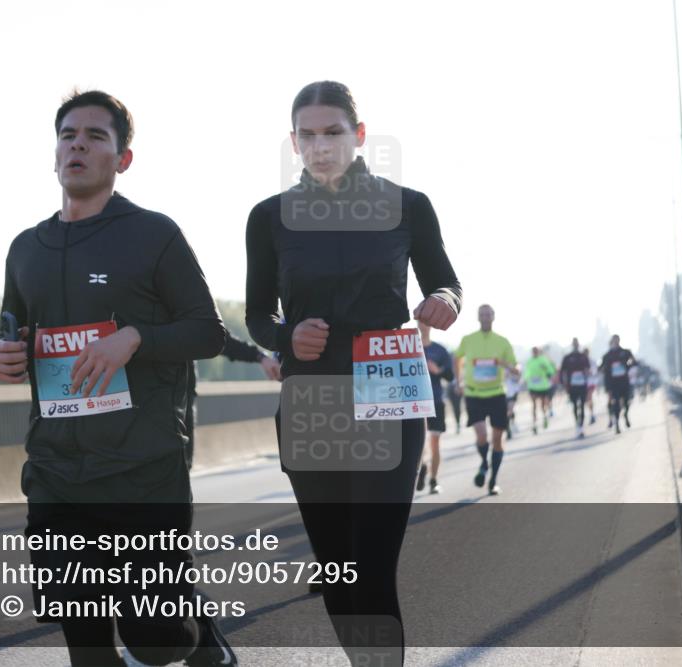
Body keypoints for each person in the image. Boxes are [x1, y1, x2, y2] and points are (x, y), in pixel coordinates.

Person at [0, 90, 235, 667]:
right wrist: (0, 360)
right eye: (68, 134)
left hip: (143, 472)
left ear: (122, 159)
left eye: (96, 136)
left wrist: (136, 338)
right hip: (57, 474)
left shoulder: (154, 235)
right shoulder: (25, 249)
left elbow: (208, 332)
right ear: (54, 155)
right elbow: (13, 339)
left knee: (154, 644)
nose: (78, 143)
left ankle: (199, 636)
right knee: (87, 644)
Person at [245, 81, 461, 666]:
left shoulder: (408, 205)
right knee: (339, 574)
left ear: (359, 136)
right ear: (294, 142)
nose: (321, 146)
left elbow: (445, 280)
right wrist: (287, 335)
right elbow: (257, 317)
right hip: (310, 400)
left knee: (371, 566)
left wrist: (444, 301)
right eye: (308, 135)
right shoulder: (269, 218)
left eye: (333, 132)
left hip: (388, 394)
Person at [184, 330, 282, 470]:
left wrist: (261, 357)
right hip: (171, 406)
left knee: (179, 472)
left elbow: (218, 338)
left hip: (178, 404)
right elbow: (218, 338)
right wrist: (261, 357)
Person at [454, 304, 517, 495]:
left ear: (494, 316)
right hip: (474, 394)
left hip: (496, 393)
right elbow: (457, 358)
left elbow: (516, 370)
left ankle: (493, 480)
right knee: (481, 436)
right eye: (482, 314)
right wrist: (459, 381)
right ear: (477, 317)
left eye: (488, 314)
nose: (485, 317)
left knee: (498, 439)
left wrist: (503, 363)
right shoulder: (468, 339)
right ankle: (483, 463)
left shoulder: (503, 341)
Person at [416, 321, 453, 494]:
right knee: (419, 442)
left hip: (436, 401)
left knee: (435, 442)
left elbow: (450, 375)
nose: (422, 326)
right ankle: (422, 466)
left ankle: (433, 479)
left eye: (425, 323)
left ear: (430, 326)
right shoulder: (410, 347)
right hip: (416, 403)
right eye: (419, 323)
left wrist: (438, 370)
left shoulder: (440, 350)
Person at [598, 334, 637, 434]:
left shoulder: (625, 352)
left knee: (627, 400)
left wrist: (628, 365)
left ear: (619, 341)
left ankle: (626, 415)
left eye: (617, 340)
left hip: (624, 381)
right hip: (613, 383)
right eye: (613, 340)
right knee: (615, 403)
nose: (615, 342)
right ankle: (617, 425)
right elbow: (601, 368)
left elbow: (634, 361)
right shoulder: (607, 356)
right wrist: (603, 370)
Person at [559, 338, 591, 439]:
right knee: (574, 406)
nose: (576, 345)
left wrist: (587, 377)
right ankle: (577, 424)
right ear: (572, 345)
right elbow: (562, 372)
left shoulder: (583, 357)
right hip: (572, 386)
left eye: (577, 343)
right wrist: (564, 384)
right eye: (574, 344)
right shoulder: (567, 358)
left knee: (582, 405)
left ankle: (581, 426)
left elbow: (587, 369)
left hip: (582, 385)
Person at [523, 347, 556, 434]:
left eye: (536, 351)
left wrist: (547, 371)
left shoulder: (543, 360)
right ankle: (534, 424)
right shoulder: (529, 361)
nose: (535, 353)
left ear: (538, 352)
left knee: (542, 405)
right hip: (533, 386)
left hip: (543, 386)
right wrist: (525, 379)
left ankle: (545, 417)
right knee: (533, 405)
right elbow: (526, 372)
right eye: (533, 351)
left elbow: (550, 370)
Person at [503, 366, 522, 440]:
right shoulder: (500, 365)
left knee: (509, 411)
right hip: (503, 393)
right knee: (505, 411)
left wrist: (511, 374)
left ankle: (511, 425)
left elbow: (518, 378)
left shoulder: (515, 366)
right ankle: (508, 428)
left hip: (513, 392)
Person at [583, 346, 599, 425]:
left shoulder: (592, 361)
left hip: (591, 382)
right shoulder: (581, 361)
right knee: (587, 400)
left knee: (589, 397)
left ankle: (592, 415)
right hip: (583, 383)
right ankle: (591, 413)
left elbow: (594, 371)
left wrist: (588, 371)